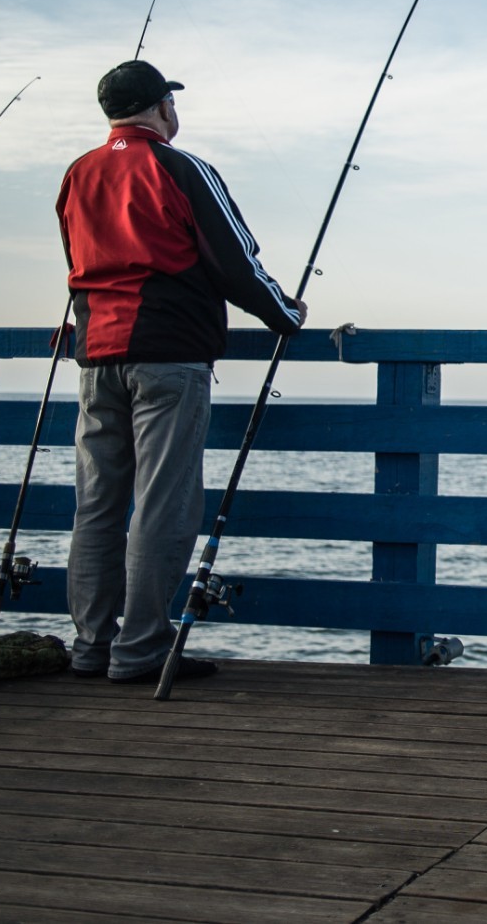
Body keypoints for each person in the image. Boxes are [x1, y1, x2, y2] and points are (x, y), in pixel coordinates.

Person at [55, 60, 306, 684]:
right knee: (164, 505)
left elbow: (78, 260)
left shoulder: (78, 173)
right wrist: (286, 316)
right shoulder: (181, 166)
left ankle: (90, 648)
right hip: (167, 355)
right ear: (162, 107)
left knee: (98, 506)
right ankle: (139, 650)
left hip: (95, 357)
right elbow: (234, 262)